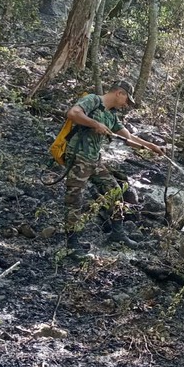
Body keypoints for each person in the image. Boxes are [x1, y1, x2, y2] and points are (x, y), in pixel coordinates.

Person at [64, 81, 165, 256]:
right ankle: (72, 244)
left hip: (94, 160)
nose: (126, 105)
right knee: (75, 200)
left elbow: (129, 137)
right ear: (119, 93)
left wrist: (151, 147)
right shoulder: (93, 100)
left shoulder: (111, 115)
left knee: (115, 192)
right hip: (78, 157)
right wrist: (95, 124)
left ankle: (117, 233)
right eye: (127, 100)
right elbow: (73, 113)